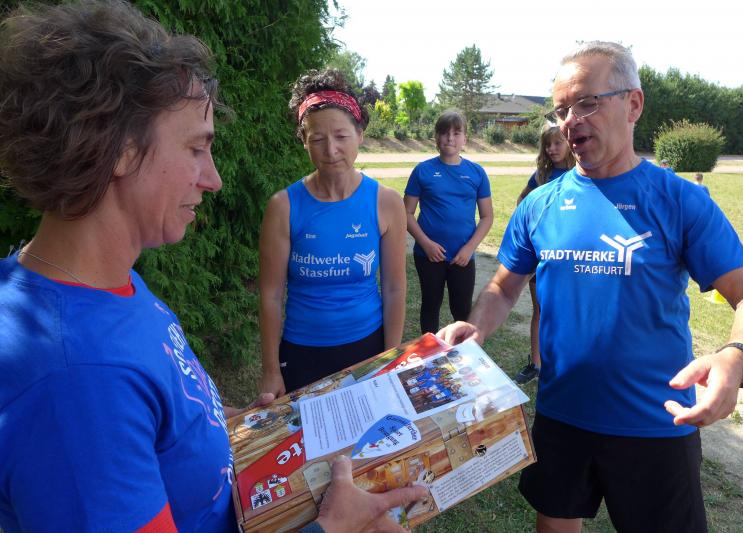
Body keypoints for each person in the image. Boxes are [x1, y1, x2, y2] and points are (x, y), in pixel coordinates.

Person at [0, 2, 425, 531]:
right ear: (121, 151)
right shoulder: (77, 380)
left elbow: (158, 429)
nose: (214, 178)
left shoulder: (106, 288)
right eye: (197, 148)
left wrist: (220, 427)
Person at [438, 41, 743, 533]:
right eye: (561, 110)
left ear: (633, 104)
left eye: (586, 103)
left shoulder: (679, 200)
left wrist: (738, 356)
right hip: (562, 415)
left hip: (657, 422)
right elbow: (503, 288)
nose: (570, 121)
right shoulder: (540, 203)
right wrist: (476, 328)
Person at [258, 69, 407, 396]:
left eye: (341, 136)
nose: (331, 149)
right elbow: (270, 294)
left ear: (360, 135)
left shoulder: (386, 202)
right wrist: (271, 370)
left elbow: (395, 287)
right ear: (304, 141)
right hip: (302, 352)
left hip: (367, 345)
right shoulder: (283, 207)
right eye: (317, 139)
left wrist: (390, 357)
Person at [404, 109, 493, 333]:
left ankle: (462, 350)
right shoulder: (422, 171)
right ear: (436, 137)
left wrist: (469, 249)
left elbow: (487, 216)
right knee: (430, 305)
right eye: (444, 133)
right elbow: (406, 213)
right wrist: (426, 244)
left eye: (456, 133)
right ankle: (429, 349)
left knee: (462, 310)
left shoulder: (476, 173)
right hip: (428, 255)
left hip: (462, 257)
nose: (450, 138)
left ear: (465, 139)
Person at [514, 126, 576, 383]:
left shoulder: (580, 174)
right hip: (541, 256)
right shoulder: (542, 175)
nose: (551, 149)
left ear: (569, 143)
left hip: (571, 258)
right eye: (547, 145)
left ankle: (565, 364)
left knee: (570, 310)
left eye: (557, 143)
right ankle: (536, 364)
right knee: (539, 310)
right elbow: (522, 202)